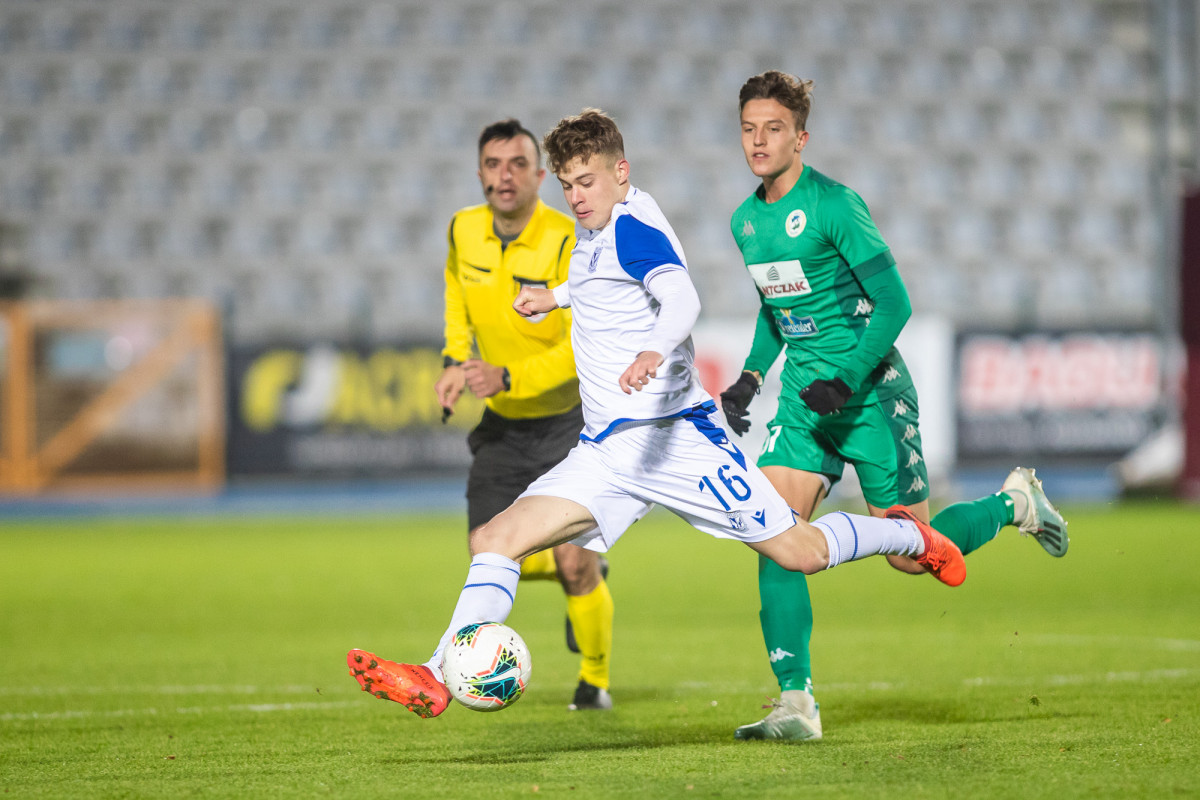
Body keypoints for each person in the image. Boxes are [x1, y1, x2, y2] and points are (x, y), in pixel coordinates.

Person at [348, 108, 968, 719]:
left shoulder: (633, 229)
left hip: (676, 442)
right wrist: (552, 297)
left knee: (799, 552)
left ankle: (910, 535)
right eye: (566, 186)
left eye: (586, 182)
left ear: (620, 171)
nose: (576, 197)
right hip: (606, 452)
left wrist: (654, 349)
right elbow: (600, 280)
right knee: (494, 539)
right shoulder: (597, 229)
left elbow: (681, 298)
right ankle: (434, 675)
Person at [719, 70, 1070, 742]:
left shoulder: (834, 205)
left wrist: (847, 377)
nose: (758, 141)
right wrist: (751, 376)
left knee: (910, 554)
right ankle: (795, 703)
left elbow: (895, 303)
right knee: (775, 534)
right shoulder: (745, 221)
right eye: (748, 128)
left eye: (773, 129)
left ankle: (1014, 503)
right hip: (804, 402)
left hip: (870, 396)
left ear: (800, 138)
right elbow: (776, 305)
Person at [433, 118, 614, 711]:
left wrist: (508, 375)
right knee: (486, 550)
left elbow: (580, 345)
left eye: (517, 164)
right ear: (480, 173)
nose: (504, 176)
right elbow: (456, 292)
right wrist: (456, 360)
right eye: (493, 164)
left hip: (569, 423)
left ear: (539, 176)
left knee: (573, 561)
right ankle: (581, 571)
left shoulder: (568, 239)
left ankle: (594, 681)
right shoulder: (463, 229)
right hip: (504, 430)